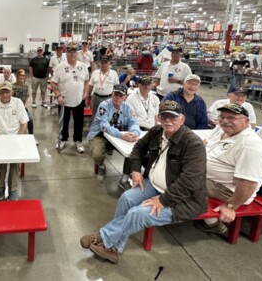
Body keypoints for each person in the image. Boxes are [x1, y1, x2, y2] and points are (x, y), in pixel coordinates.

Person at [80, 100, 207, 264]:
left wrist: (164, 200)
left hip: (182, 199)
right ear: (158, 118)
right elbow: (138, 148)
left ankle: (103, 237)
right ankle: (112, 249)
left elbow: (191, 181)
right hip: (154, 185)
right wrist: (135, 171)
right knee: (126, 198)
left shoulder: (193, 144)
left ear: (182, 119)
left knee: (137, 213)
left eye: (173, 117)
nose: (168, 120)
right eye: (164, 116)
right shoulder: (156, 131)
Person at [194, 103, 262, 236]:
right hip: (210, 179)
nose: (225, 121)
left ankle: (212, 223)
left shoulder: (249, 145)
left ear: (246, 121)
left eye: (231, 117)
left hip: (226, 190)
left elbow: (248, 183)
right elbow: (205, 143)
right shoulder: (221, 129)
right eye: (222, 117)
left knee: (178, 177)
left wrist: (230, 206)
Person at [87, 85, 140, 183]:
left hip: (118, 136)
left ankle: (125, 176)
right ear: (112, 94)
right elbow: (104, 126)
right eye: (116, 94)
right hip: (100, 135)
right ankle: (101, 166)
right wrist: (121, 135)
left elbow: (134, 123)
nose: (117, 97)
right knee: (97, 155)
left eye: (121, 95)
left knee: (133, 152)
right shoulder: (104, 105)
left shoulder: (128, 107)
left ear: (125, 97)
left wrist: (134, 133)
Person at [0, 82, 29, 201]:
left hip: (15, 138)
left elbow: (24, 124)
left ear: (12, 92)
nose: (5, 94)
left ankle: (13, 190)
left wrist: (17, 139)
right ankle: (0, 187)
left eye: (7, 92)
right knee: (0, 164)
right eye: (2, 92)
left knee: (15, 164)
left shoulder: (18, 103)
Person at [50, 46, 89, 153]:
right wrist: (58, 95)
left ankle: (78, 141)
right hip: (64, 101)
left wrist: (85, 93)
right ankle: (63, 139)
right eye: (69, 53)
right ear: (66, 54)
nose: (72, 55)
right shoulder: (60, 67)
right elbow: (53, 82)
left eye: (74, 53)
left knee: (79, 122)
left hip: (79, 100)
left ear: (77, 54)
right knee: (64, 122)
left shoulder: (83, 66)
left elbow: (86, 81)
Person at [12, 69, 34, 139]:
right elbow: (11, 98)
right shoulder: (13, 86)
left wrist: (24, 106)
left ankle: (31, 136)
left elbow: (27, 98)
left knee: (30, 120)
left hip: (23, 108)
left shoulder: (26, 87)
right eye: (20, 75)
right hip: (14, 107)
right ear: (17, 76)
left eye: (23, 75)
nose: (22, 77)